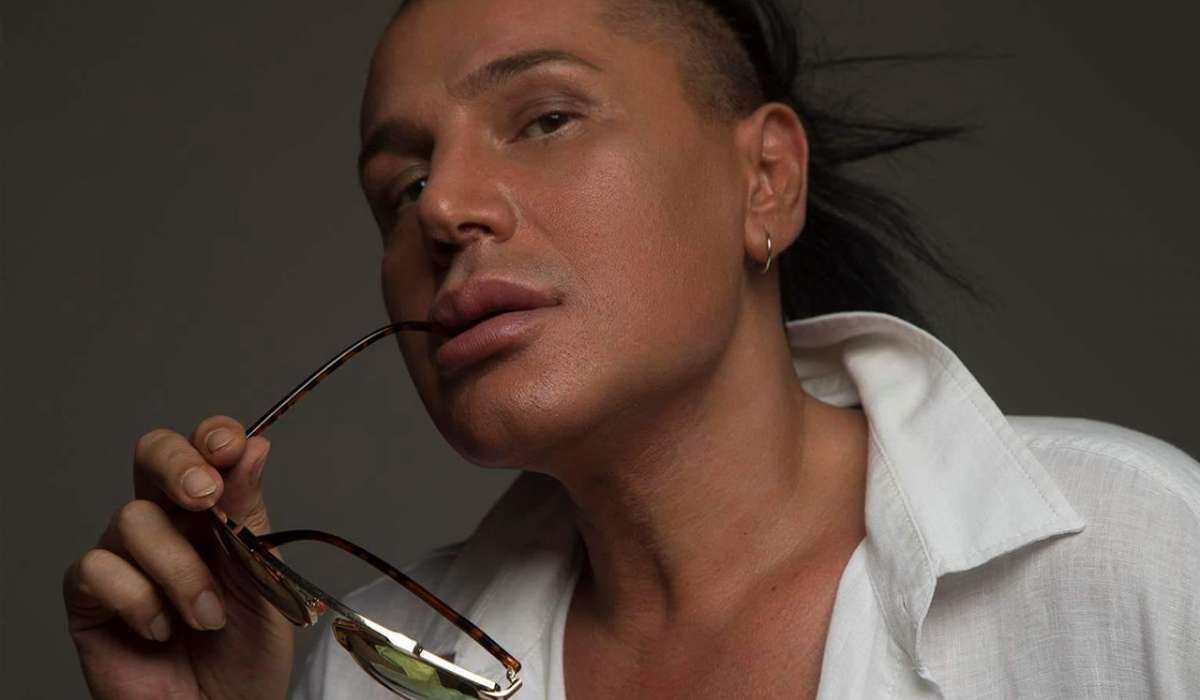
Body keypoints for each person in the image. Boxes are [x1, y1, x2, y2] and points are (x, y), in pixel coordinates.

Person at [63, 0, 1200, 698]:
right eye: (399, 187)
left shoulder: (1136, 559)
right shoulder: (361, 671)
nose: (443, 207)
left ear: (766, 180)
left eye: (546, 119)